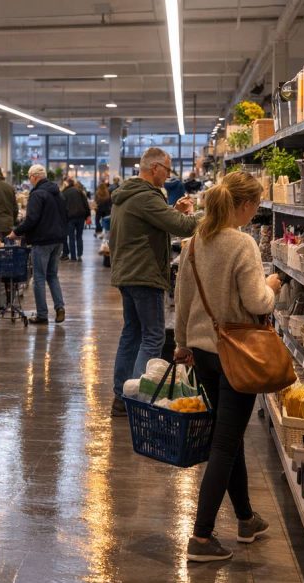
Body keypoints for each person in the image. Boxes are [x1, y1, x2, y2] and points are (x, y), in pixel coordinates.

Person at [173, 171, 281, 562]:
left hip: (202, 353)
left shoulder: (195, 242)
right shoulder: (242, 243)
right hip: (236, 352)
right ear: (246, 206)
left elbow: (182, 297)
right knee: (224, 443)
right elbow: (256, 302)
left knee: (228, 438)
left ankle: (246, 518)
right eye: (255, 205)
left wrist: (182, 343)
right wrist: (272, 287)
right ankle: (201, 538)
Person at [109, 147, 198, 417]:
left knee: (132, 333)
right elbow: (183, 227)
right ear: (155, 168)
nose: (169, 176)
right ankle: (136, 399)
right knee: (153, 336)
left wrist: (171, 210)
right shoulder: (146, 197)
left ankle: (121, 397)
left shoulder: (129, 195)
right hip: (144, 274)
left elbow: (153, 223)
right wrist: (201, 216)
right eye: (168, 170)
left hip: (128, 273)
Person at [12, 164, 68, 325]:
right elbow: (66, 215)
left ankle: (42, 314)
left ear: (34, 177)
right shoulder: (58, 193)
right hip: (58, 240)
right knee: (52, 275)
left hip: (42, 241)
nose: (30, 181)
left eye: (29, 178)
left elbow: (32, 219)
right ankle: (59, 307)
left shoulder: (37, 194)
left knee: (39, 278)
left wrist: (16, 232)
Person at [62, 178, 90, 261]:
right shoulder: (79, 191)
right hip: (81, 217)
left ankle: (73, 257)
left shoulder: (64, 193)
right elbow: (85, 203)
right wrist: (87, 215)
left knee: (71, 237)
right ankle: (79, 256)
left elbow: (62, 206)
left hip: (70, 217)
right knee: (79, 236)